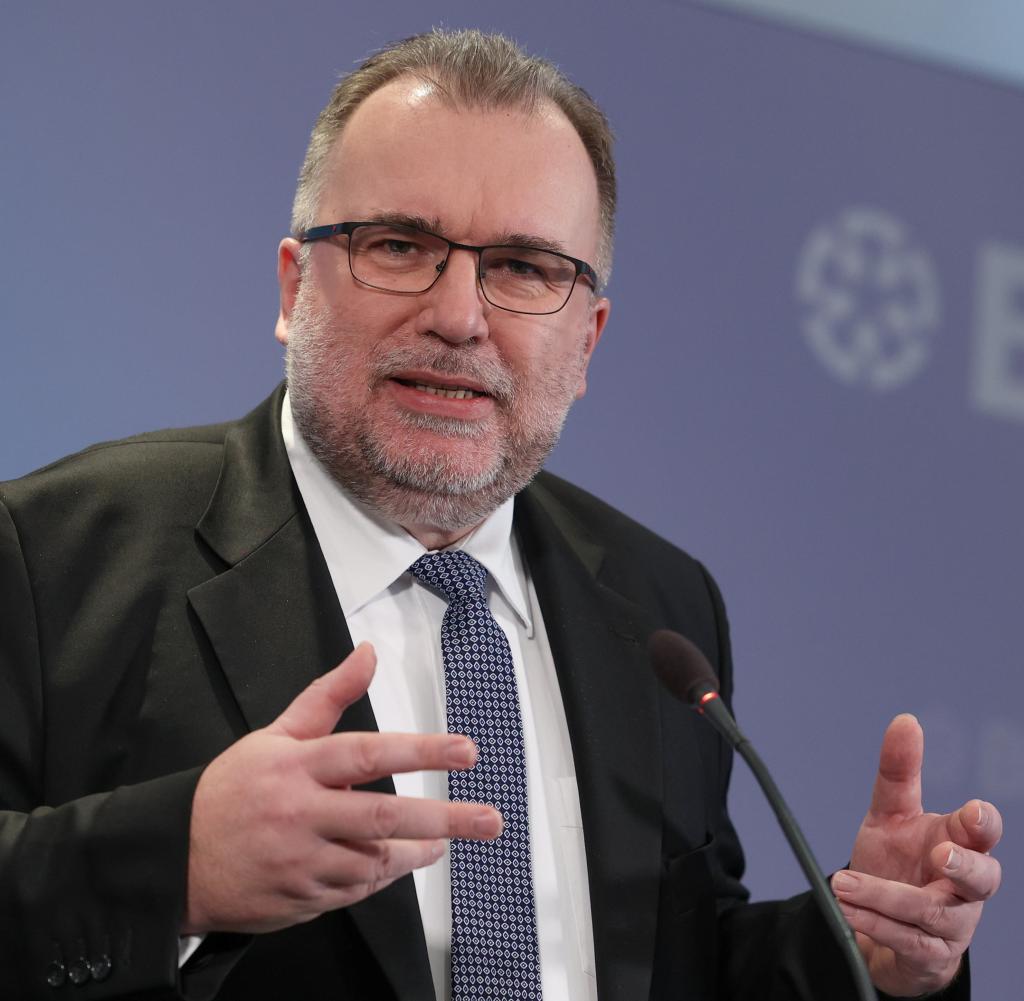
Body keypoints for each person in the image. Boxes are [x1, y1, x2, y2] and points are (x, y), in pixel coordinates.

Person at [0, 28, 1001, 1001]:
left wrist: (858, 952)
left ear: (588, 340)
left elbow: (676, 958)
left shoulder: (659, 603)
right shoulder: (54, 557)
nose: (458, 315)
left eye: (524, 267)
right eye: (400, 244)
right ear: (294, 287)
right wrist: (172, 867)